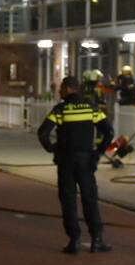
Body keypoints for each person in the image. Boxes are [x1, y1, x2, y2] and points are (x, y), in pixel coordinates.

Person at [37, 76, 114, 254]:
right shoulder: (91, 107)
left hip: (65, 160)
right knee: (90, 199)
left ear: (68, 88)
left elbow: (43, 133)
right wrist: (98, 153)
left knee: (68, 200)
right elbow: (108, 132)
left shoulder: (61, 109)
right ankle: (97, 239)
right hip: (86, 160)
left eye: (61, 88)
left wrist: (53, 149)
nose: (59, 92)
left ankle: (74, 240)